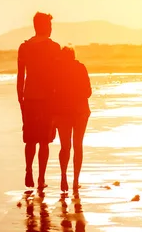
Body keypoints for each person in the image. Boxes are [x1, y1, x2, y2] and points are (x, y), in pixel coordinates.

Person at [17, 12, 61, 190]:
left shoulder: (24, 47)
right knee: (44, 141)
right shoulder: (53, 47)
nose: (51, 29)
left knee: (30, 139)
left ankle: (29, 171)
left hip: (29, 98)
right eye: (49, 26)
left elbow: (21, 75)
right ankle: (41, 178)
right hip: (47, 99)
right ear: (43, 26)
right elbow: (58, 76)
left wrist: (20, 98)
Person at [54, 46, 92, 194]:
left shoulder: (57, 71)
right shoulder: (80, 68)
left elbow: (53, 94)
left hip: (63, 112)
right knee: (78, 145)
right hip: (80, 112)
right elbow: (88, 92)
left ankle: (63, 176)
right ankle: (75, 180)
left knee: (65, 146)